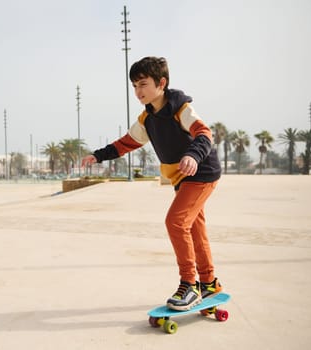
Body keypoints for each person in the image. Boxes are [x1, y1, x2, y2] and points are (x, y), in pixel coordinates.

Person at [81, 56, 222, 311]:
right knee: (194, 228)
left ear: (161, 83)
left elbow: (204, 133)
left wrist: (193, 155)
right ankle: (209, 281)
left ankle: (189, 284)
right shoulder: (147, 119)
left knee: (176, 222)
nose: (138, 91)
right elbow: (125, 143)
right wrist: (98, 155)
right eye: (134, 86)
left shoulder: (181, 109)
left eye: (143, 84)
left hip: (202, 172)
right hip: (182, 177)